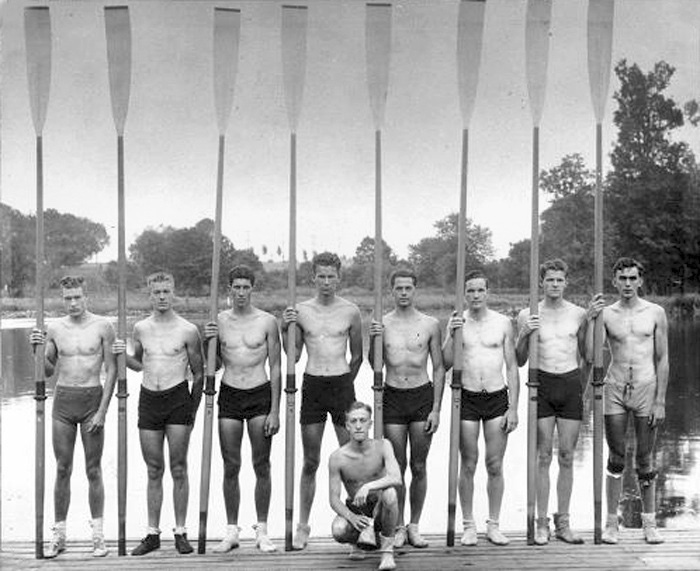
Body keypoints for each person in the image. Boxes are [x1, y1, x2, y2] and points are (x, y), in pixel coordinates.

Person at [113, 271, 204, 555]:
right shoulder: (140, 328)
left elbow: (199, 373)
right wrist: (121, 354)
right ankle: (152, 534)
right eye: (157, 292)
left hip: (178, 399)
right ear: (149, 294)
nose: (162, 297)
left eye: (166, 291)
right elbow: (138, 364)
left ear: (173, 292)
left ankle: (180, 532)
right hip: (149, 399)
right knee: (154, 469)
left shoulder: (188, 329)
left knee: (179, 468)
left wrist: (192, 409)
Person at [29, 275, 117, 558]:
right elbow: (47, 372)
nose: (73, 302)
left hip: (92, 399)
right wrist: (36, 349)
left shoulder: (103, 326)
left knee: (93, 469)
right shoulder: (54, 329)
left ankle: (98, 536)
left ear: (86, 296)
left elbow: (112, 370)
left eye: (77, 296)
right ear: (62, 299)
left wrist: (103, 410)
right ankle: (59, 534)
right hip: (64, 402)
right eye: (68, 298)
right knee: (62, 469)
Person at [282, 251, 363, 550]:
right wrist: (283, 328)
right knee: (311, 460)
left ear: (339, 278)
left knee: (350, 459)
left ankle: (358, 525)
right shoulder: (301, 311)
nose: (326, 281)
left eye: (332, 276)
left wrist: (345, 384)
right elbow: (295, 355)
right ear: (313, 278)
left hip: (341, 384)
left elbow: (358, 356)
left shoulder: (351, 311)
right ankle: (303, 527)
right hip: (313, 383)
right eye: (321, 276)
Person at [587, 257, 668, 545]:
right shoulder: (606, 314)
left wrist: (660, 400)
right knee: (616, 456)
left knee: (645, 458)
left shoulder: (655, 312)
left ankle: (650, 522)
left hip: (646, 387)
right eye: (622, 279)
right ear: (614, 281)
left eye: (633, 278)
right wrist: (591, 319)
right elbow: (590, 354)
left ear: (641, 280)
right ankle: (612, 523)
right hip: (616, 387)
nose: (628, 284)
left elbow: (662, 358)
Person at [202, 265, 281, 553]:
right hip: (230, 394)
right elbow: (214, 364)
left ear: (253, 289)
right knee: (230, 465)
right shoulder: (219, 320)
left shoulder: (267, 321)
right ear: (229, 289)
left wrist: (275, 410)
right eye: (236, 287)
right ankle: (232, 530)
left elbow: (275, 365)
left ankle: (262, 530)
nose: (241, 292)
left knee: (262, 464)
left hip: (260, 394)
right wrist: (206, 341)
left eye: (246, 287)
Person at [369, 268, 445, 548]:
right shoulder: (382, 323)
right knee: (396, 466)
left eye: (408, 288)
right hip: (393, 397)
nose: (403, 293)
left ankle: (415, 525)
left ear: (415, 290)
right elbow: (373, 364)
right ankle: (398, 525)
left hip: (421, 396)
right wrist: (374, 339)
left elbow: (439, 368)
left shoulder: (430, 324)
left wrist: (436, 408)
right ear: (392, 291)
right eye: (398, 288)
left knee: (419, 464)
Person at [443, 269, 519, 546]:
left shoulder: (502, 323)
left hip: (497, 397)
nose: (475, 295)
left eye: (480, 290)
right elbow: (446, 362)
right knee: (469, 463)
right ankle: (468, 525)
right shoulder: (457, 321)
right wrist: (452, 335)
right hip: (468, 398)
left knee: (495, 464)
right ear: (464, 294)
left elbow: (512, 366)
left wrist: (513, 408)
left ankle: (494, 524)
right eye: (470, 290)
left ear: (488, 292)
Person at [515, 259, 588, 545]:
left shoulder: (578, 314)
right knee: (543, 456)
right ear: (541, 282)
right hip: (541, 383)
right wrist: (524, 334)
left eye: (559, 280)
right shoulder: (527, 314)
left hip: (569, 383)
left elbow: (588, 354)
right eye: (550, 280)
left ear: (565, 282)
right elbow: (520, 359)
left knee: (567, 456)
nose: (555, 285)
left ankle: (564, 522)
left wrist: (594, 319)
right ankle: (541, 522)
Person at [329, 401, 401, 570]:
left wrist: (368, 486)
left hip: (380, 508)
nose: (359, 426)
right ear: (347, 426)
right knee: (339, 529)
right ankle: (357, 542)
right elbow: (333, 499)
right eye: (353, 421)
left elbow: (396, 478)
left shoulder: (384, 446)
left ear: (370, 423)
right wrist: (351, 517)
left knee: (390, 494)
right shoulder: (338, 457)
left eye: (363, 420)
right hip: (358, 511)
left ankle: (387, 552)